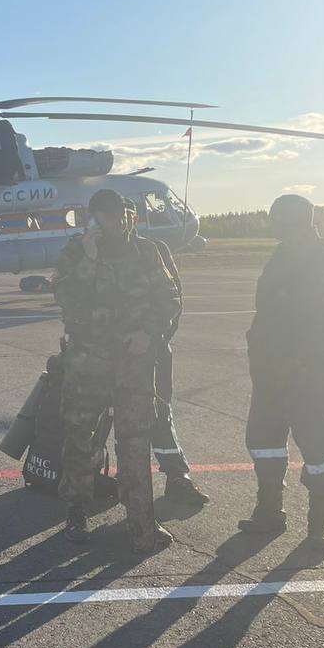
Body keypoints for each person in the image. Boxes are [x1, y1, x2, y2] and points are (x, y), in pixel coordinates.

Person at [54, 188, 180, 555]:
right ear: (93, 218)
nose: (114, 221)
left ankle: (141, 520)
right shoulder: (75, 252)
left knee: (135, 437)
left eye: (120, 214)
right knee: (79, 436)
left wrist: (150, 333)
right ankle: (76, 510)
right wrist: (90, 258)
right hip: (87, 361)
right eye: (105, 215)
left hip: (133, 364)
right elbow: (67, 300)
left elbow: (170, 299)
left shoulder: (146, 252)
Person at [238, 194, 324, 550]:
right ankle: (269, 511)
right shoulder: (281, 255)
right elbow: (268, 311)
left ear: (293, 221)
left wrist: (300, 361)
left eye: (276, 220)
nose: (271, 227)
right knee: (264, 439)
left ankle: (319, 527)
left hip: (307, 373)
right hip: (270, 370)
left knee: (316, 445)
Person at [127, 203, 209, 507]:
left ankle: (177, 477)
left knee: (159, 413)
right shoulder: (91, 253)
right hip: (106, 354)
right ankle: (86, 481)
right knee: (97, 415)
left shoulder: (153, 250)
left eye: (126, 215)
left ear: (134, 219)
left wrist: (155, 337)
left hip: (152, 351)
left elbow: (173, 298)